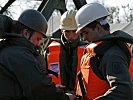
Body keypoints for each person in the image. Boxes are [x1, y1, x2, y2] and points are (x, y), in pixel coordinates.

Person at [0, 9, 72, 100]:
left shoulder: (9, 50)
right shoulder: (20, 55)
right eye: (38, 39)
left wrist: (52, 89)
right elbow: (40, 90)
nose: (38, 44)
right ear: (26, 33)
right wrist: (66, 98)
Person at [75, 3, 133, 100]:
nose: (84, 38)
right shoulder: (100, 52)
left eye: (86, 32)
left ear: (98, 27)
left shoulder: (113, 55)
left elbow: (124, 91)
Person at [46, 10, 87, 94]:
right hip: (57, 95)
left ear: (79, 30)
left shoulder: (88, 50)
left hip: (81, 95)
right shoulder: (50, 50)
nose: (71, 36)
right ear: (62, 30)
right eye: (67, 31)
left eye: (74, 31)